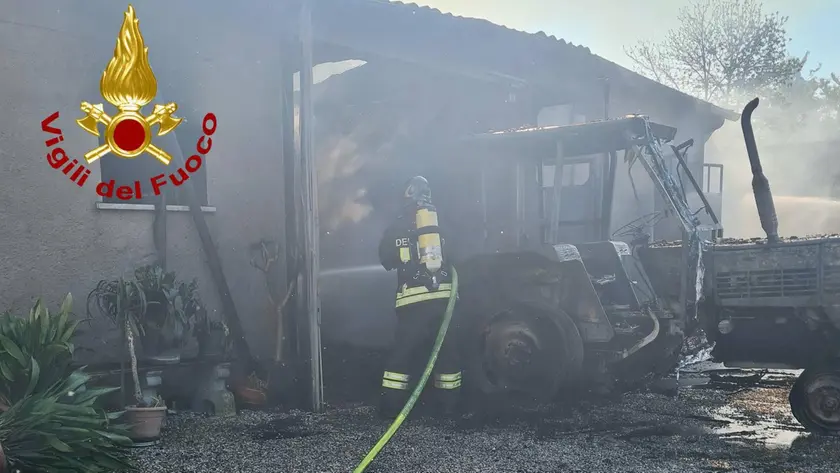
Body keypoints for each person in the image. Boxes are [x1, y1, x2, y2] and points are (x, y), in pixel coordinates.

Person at [377, 176, 461, 419]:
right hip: (445, 299)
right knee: (447, 353)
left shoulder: (399, 225)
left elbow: (385, 260)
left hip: (412, 303)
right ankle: (448, 409)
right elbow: (458, 253)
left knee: (402, 356)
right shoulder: (442, 222)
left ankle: (391, 409)